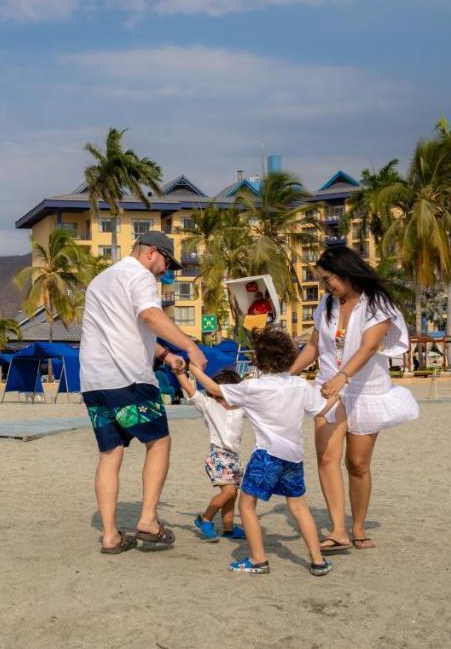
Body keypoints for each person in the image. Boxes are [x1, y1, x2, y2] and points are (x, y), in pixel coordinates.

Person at [80, 230, 207, 555]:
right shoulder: (139, 276)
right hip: (129, 380)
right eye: (166, 261)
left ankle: (110, 536)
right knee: (159, 442)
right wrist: (189, 345)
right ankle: (148, 520)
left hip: (95, 383)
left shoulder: (101, 280)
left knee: (110, 454)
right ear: (152, 252)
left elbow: (124, 331)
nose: (166, 270)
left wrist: (165, 355)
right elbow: (150, 316)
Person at [289, 245, 419, 555]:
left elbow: (370, 347)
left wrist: (343, 377)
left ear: (346, 272)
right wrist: (287, 374)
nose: (325, 286)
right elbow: (314, 346)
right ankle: (337, 530)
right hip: (328, 389)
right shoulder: (327, 304)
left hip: (363, 388)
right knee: (326, 459)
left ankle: (357, 526)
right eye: (322, 281)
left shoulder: (378, 304)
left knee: (357, 464)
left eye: (328, 279)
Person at [181, 328, 335, 576]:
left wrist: (193, 368)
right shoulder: (300, 385)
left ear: (259, 360)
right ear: (290, 357)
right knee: (299, 507)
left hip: (266, 455)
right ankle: (318, 561)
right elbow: (321, 409)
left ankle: (258, 559)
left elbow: (215, 389)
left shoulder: (254, 387)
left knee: (247, 505)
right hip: (294, 457)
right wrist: (335, 394)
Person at [173, 366, 246, 542]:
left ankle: (228, 528)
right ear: (214, 394)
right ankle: (205, 519)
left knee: (233, 494)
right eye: (224, 395)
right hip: (218, 456)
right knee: (228, 492)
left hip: (234, 458)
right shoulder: (209, 405)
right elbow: (191, 391)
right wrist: (179, 373)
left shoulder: (240, 408)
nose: (229, 400)